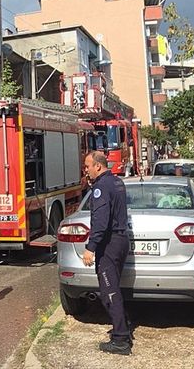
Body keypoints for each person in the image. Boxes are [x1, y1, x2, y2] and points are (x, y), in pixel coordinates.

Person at [82, 150, 132, 355]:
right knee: (114, 288)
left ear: (98, 166)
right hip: (121, 241)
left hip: (109, 244)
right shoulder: (117, 182)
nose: (86, 170)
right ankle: (124, 326)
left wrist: (90, 247)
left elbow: (101, 222)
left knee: (109, 292)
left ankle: (120, 340)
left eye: (87, 166)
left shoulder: (101, 187)